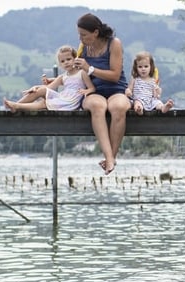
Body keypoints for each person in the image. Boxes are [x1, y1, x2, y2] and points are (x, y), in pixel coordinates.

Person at [74, 13, 130, 175]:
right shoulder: (83, 48)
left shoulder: (114, 44)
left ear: (95, 33)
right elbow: (77, 72)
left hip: (117, 89)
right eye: (79, 35)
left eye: (84, 35)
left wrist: (89, 68)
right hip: (93, 90)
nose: (81, 38)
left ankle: (111, 158)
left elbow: (115, 75)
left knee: (118, 107)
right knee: (98, 106)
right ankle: (109, 158)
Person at [3, 45, 95, 112]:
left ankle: (17, 106)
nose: (66, 62)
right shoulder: (63, 76)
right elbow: (48, 88)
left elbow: (92, 88)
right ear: (60, 64)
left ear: (75, 59)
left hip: (71, 102)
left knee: (44, 103)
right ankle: (15, 105)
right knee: (39, 91)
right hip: (63, 97)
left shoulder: (81, 73)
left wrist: (86, 91)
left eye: (68, 59)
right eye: (62, 61)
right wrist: (36, 87)